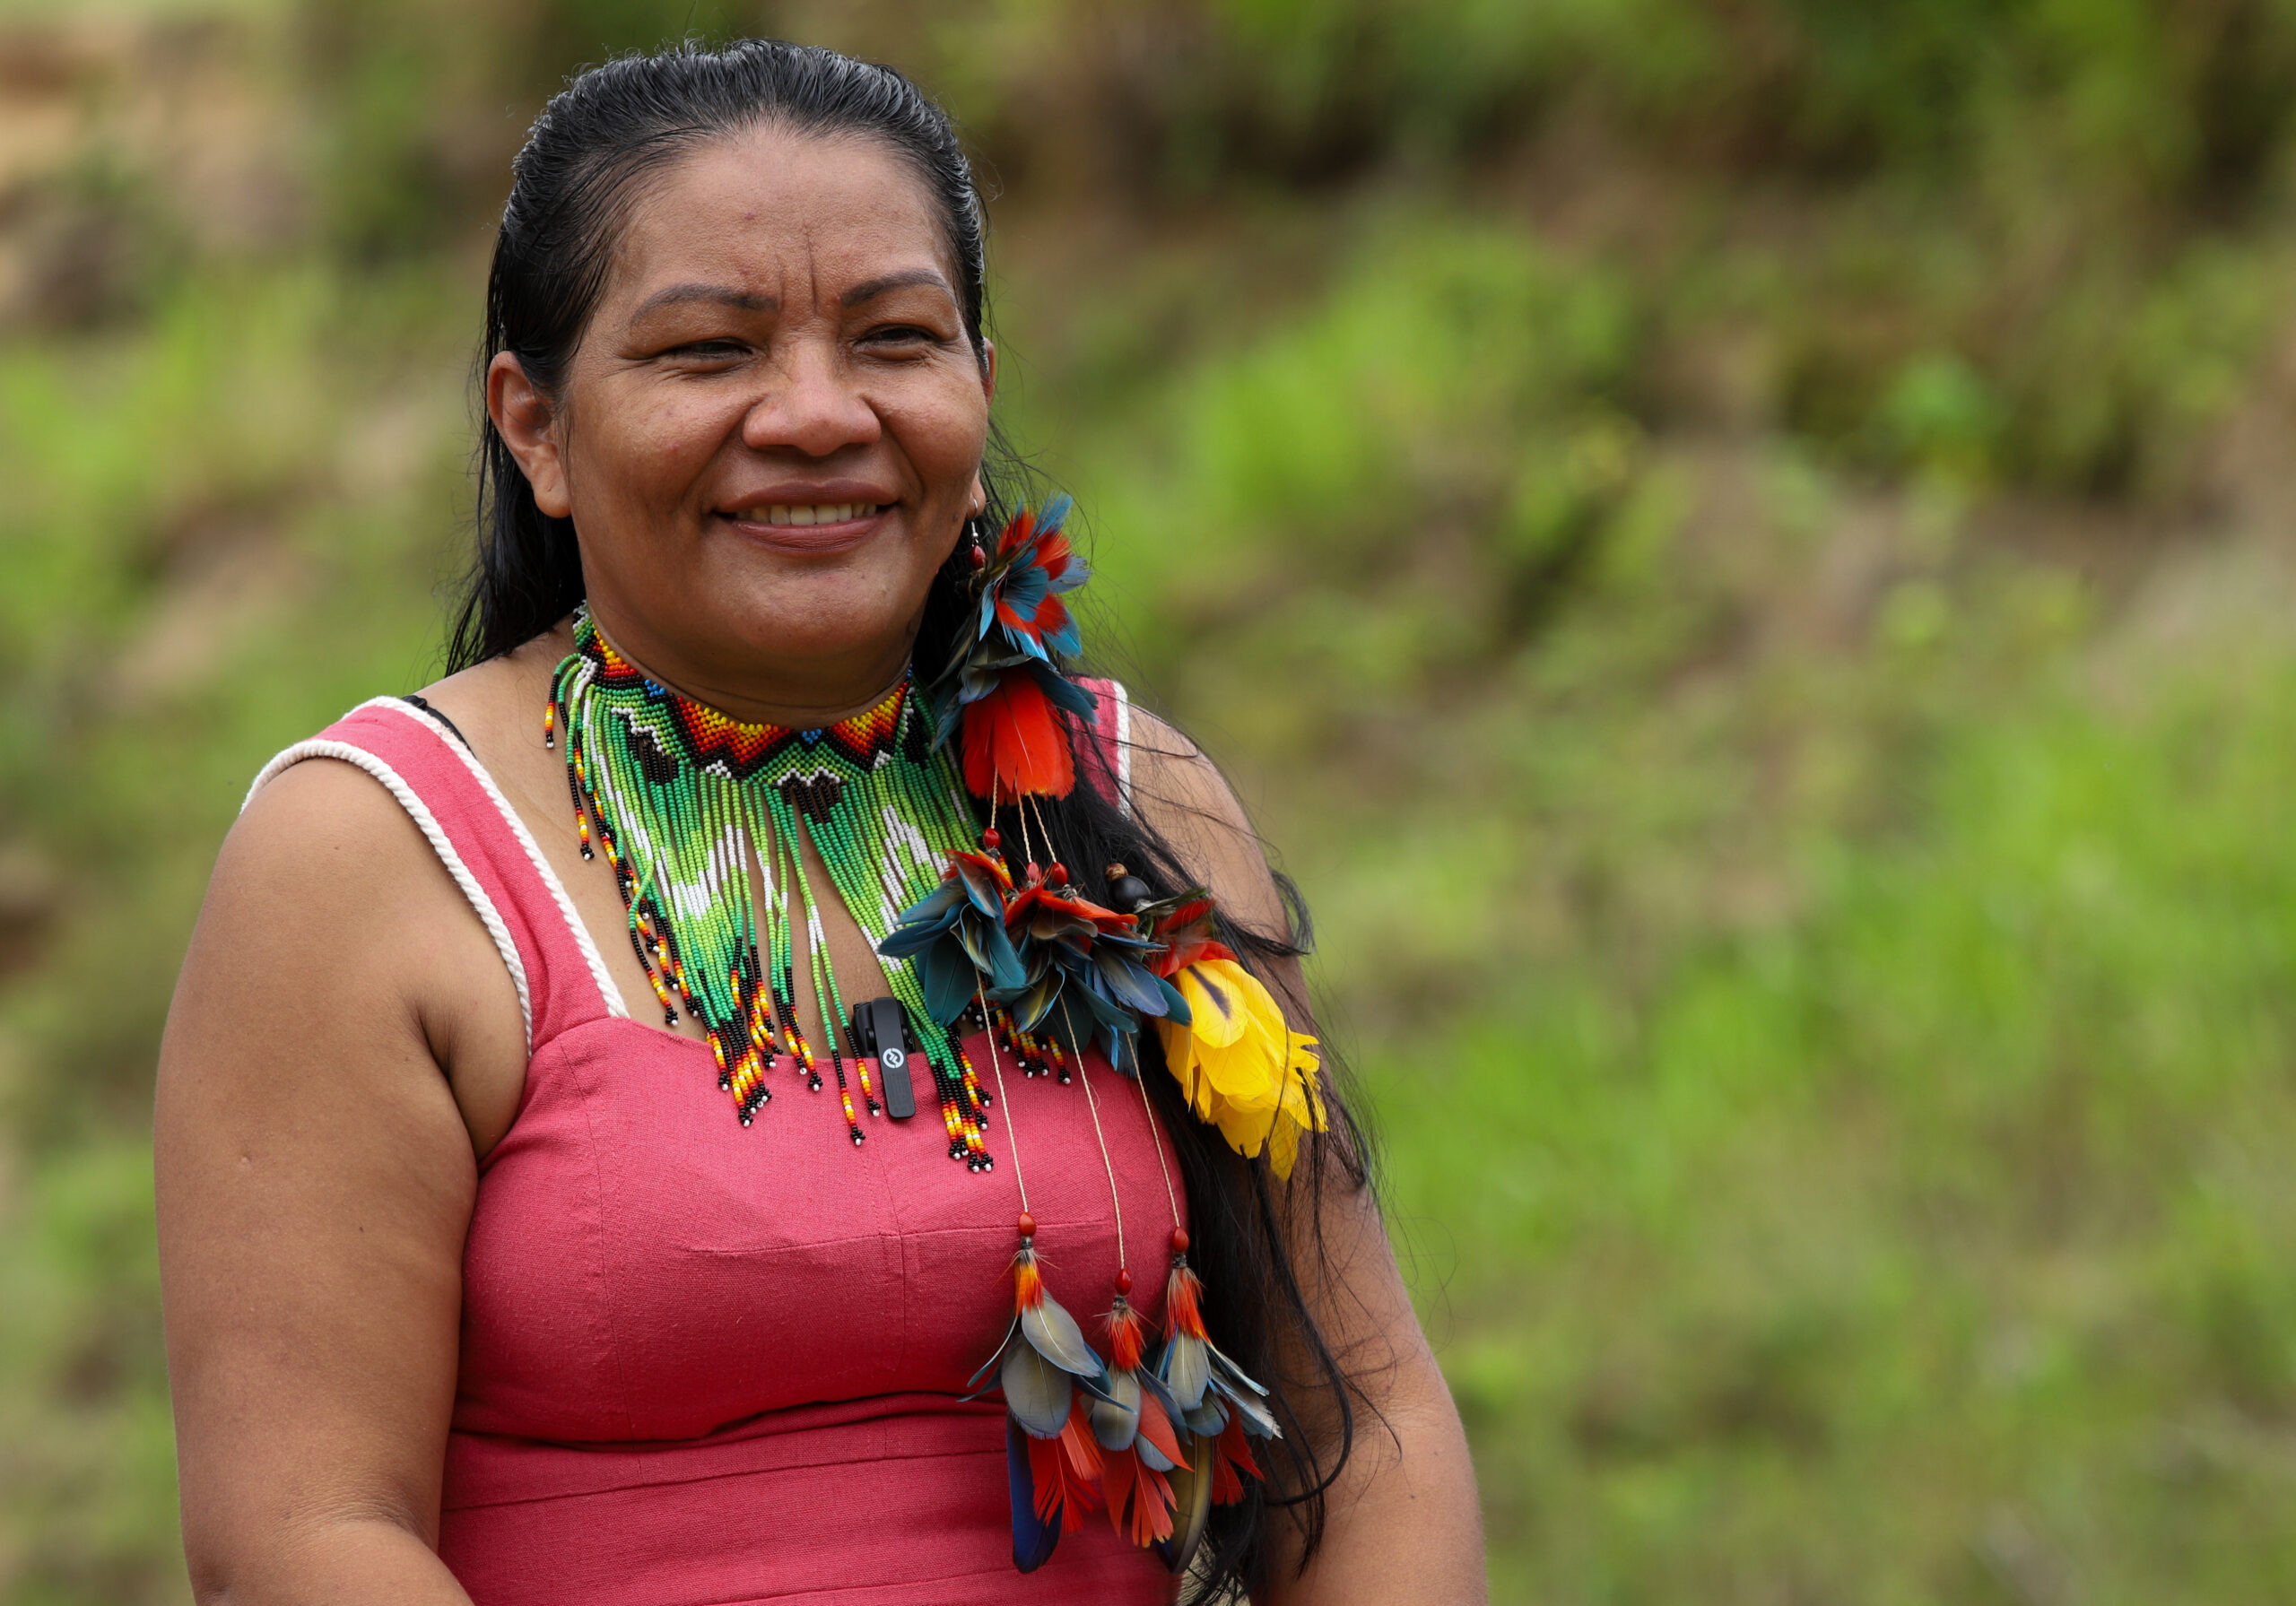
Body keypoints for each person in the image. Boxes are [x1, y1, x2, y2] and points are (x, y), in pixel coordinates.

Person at [154, 39, 1484, 1606]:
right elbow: (304, 1542)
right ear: (536, 425)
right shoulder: (373, 859)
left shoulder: (1132, 802)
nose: (815, 414)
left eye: (895, 339)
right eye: (708, 352)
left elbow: (1372, 1421)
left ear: (979, 390)